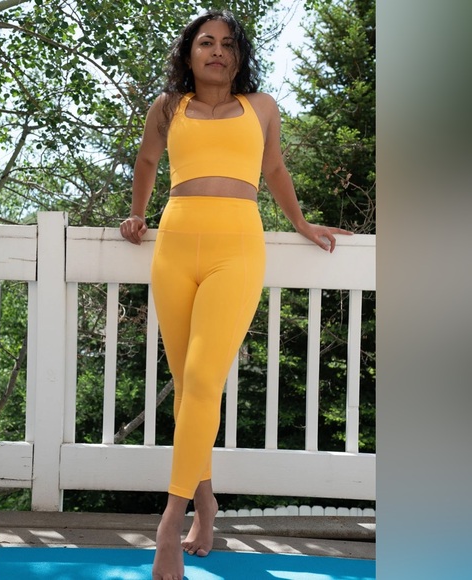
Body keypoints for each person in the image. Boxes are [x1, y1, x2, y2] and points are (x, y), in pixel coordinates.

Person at [119, 10, 351, 580]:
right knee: (186, 388)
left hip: (237, 248)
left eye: (227, 44)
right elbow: (147, 160)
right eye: (206, 42)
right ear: (189, 53)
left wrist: (301, 224)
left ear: (240, 56)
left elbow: (274, 169)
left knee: (203, 380)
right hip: (175, 245)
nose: (217, 51)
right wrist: (137, 213)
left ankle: (168, 525)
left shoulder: (262, 106)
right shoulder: (167, 106)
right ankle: (205, 504)